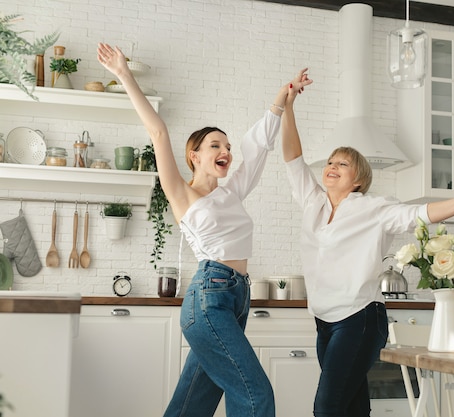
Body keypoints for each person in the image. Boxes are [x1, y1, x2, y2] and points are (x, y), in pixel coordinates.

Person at [97, 42, 312, 417]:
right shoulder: (182, 194)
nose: (225, 149)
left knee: (191, 405)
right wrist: (124, 75)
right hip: (208, 298)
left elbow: (259, 147)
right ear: (194, 155)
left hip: (234, 298)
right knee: (256, 395)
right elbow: (159, 133)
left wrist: (282, 97)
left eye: (227, 145)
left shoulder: (232, 191)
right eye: (215, 144)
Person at [281, 73, 454, 417]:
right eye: (331, 162)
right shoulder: (313, 202)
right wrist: (288, 106)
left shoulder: (373, 208)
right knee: (352, 407)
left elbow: (420, 214)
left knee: (327, 408)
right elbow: (293, 157)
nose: (332, 167)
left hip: (359, 320)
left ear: (358, 179)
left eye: (343, 163)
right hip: (324, 320)